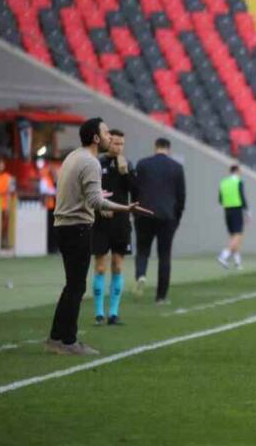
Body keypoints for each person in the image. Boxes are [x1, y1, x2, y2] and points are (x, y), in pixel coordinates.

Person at [46, 118, 150, 356]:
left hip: (63, 226)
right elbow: (95, 202)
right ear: (95, 138)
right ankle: (68, 341)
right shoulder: (91, 162)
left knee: (71, 285)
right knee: (76, 286)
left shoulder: (74, 156)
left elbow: (76, 190)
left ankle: (55, 337)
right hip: (77, 227)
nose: (109, 137)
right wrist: (127, 208)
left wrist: (95, 193)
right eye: (105, 132)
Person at [133, 137, 186, 303]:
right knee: (164, 256)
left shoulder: (142, 164)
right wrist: (176, 218)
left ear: (155, 147)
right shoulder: (177, 167)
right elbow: (181, 196)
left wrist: (135, 212)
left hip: (144, 213)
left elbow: (135, 190)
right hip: (167, 215)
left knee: (142, 250)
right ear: (168, 149)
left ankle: (141, 275)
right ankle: (161, 296)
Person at [92, 129, 136, 325]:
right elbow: (89, 190)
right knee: (100, 267)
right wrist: (99, 206)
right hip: (101, 222)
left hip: (121, 222)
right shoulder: (97, 163)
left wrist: (125, 172)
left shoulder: (127, 164)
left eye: (121, 144)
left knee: (117, 265)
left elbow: (135, 191)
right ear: (108, 142)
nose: (118, 147)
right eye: (115, 143)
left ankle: (114, 314)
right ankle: (99, 313)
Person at [217, 164, 248, 269]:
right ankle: (224, 255)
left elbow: (220, 199)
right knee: (238, 235)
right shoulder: (238, 182)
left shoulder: (223, 182)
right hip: (237, 209)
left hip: (227, 210)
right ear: (237, 171)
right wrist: (247, 211)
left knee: (233, 237)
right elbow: (242, 197)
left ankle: (237, 262)